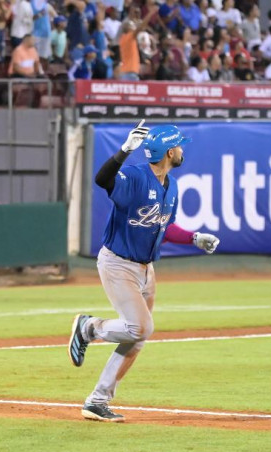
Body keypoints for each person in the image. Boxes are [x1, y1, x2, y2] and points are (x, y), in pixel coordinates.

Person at [67, 120, 220, 422]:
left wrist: (192, 237)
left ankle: (97, 401)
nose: (181, 149)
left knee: (136, 339)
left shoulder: (171, 185)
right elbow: (103, 180)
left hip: (146, 269)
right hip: (118, 264)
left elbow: (163, 226)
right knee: (141, 327)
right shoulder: (136, 177)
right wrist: (123, 151)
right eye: (178, 145)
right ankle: (88, 328)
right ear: (168, 152)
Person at [116, 6, 156, 81]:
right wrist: (150, 13)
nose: (133, 27)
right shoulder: (129, 36)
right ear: (127, 28)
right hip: (130, 73)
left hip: (126, 72)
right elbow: (140, 27)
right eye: (131, 26)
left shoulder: (123, 39)